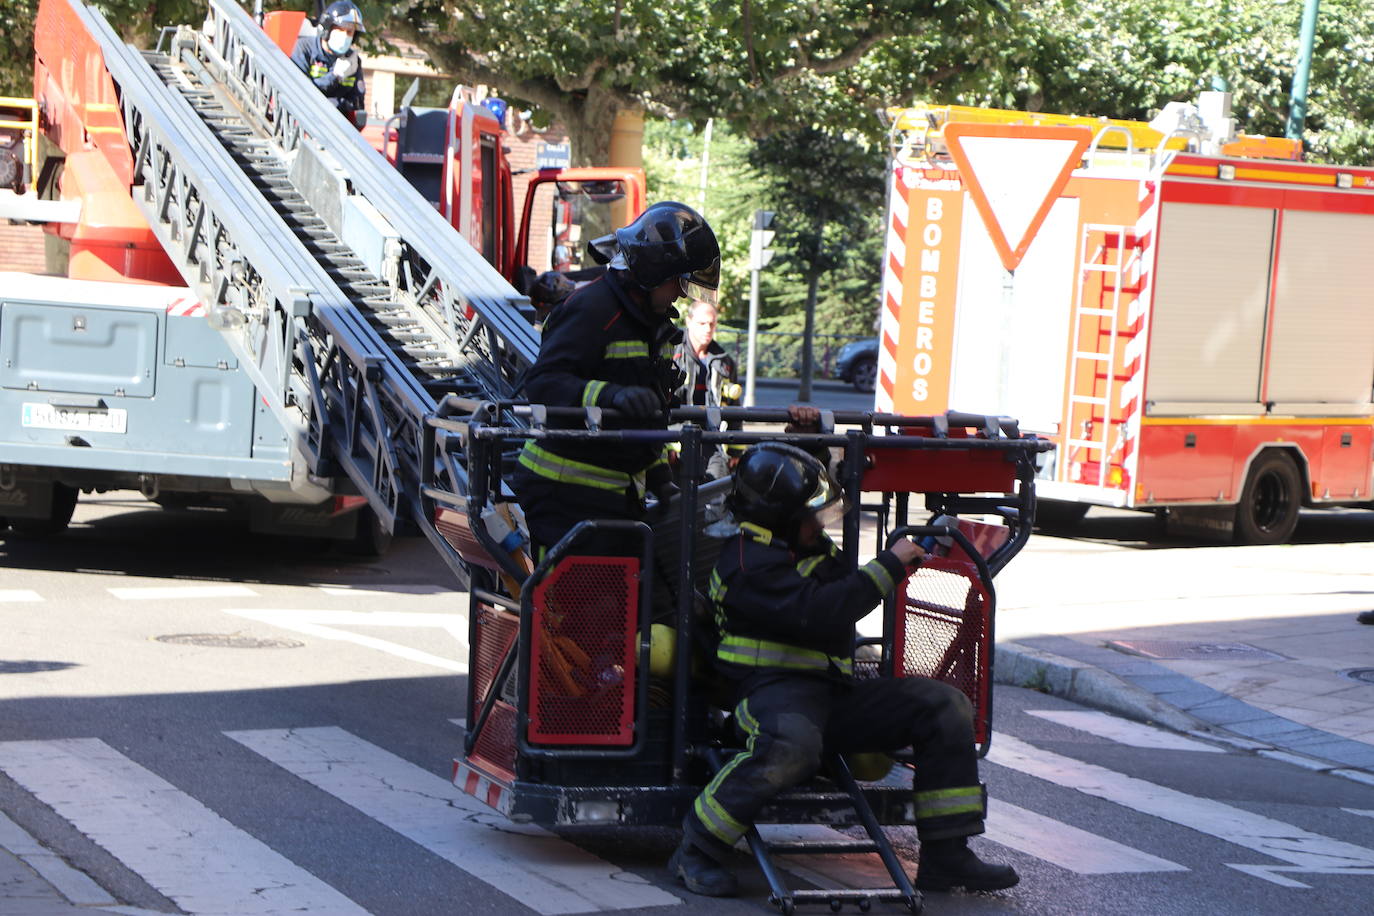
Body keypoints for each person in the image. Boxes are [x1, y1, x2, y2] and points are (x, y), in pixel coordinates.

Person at [669, 442, 1019, 898]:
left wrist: (898, 555)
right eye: (810, 516)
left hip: (831, 696)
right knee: (791, 745)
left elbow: (843, 591)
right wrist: (890, 563)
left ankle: (946, 855)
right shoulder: (744, 563)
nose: (821, 524)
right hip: (771, 696)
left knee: (942, 705)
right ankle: (697, 848)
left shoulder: (801, 550)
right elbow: (820, 611)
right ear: (781, 519)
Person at [512, 201, 721, 556]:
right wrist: (609, 395)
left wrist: (660, 479)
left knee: (628, 603)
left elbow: (644, 418)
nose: (681, 294)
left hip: (612, 499)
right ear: (653, 271)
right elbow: (544, 383)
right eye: (678, 282)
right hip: (564, 496)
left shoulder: (649, 325)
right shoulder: (593, 309)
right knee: (585, 607)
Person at [672, 301, 742, 479]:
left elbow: (734, 408)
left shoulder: (724, 361)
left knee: (715, 495)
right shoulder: (671, 352)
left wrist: (736, 451)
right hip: (674, 441)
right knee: (678, 501)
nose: (708, 329)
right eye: (702, 323)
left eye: (712, 324)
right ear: (688, 322)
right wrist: (662, 445)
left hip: (711, 441)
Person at [291, 1, 367, 129]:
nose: (345, 36)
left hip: (338, 128)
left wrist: (338, 103)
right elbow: (302, 93)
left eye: (350, 32)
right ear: (327, 29)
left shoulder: (352, 60)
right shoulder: (304, 49)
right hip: (304, 124)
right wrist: (335, 76)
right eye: (341, 29)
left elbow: (357, 104)